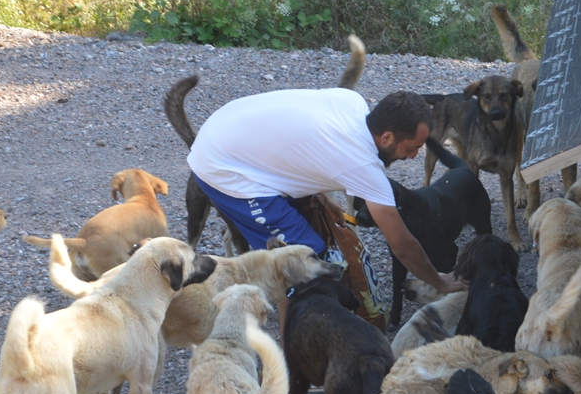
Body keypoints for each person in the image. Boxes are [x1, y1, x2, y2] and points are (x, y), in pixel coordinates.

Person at [187, 87, 463, 299]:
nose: (414, 156)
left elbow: (305, 144)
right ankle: (291, 357)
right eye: (412, 147)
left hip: (225, 127)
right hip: (222, 165)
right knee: (300, 263)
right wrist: (439, 282)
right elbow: (402, 245)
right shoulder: (362, 164)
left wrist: (319, 195)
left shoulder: (351, 102)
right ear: (387, 137)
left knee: (310, 242)